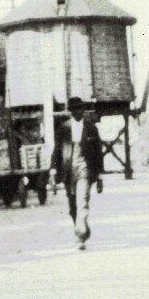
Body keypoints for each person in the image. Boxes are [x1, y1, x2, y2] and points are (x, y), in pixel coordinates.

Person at [51, 96, 104, 250]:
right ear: (70, 111)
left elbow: (98, 152)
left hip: (85, 169)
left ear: (83, 109)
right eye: (74, 110)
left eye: (80, 109)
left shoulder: (91, 128)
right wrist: (53, 170)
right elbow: (57, 150)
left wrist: (100, 176)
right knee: (73, 207)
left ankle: (80, 236)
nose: (77, 112)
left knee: (82, 201)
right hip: (68, 171)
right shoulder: (63, 128)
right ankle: (82, 228)